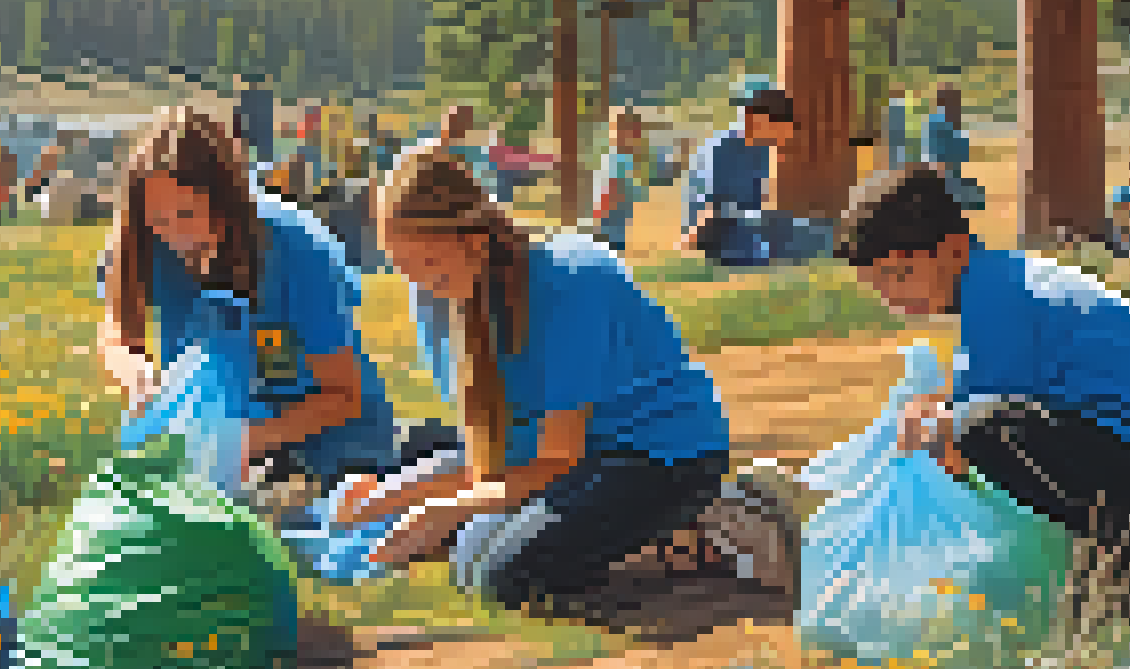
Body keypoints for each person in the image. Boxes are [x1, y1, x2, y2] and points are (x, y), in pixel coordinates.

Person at [332, 111, 733, 623]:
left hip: (659, 456)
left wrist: (444, 506)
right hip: (569, 460)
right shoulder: (437, 300)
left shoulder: (569, 284)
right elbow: (497, 452)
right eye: (404, 269)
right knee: (465, 559)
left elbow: (556, 459)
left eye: (428, 266)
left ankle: (701, 530)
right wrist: (393, 492)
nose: (420, 286)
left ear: (475, 241)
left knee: (502, 577)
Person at [834, 164, 1130, 629]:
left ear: (954, 248)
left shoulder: (1001, 297)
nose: (891, 297)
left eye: (900, 274)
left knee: (980, 431)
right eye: (879, 283)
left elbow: (979, 418)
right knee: (971, 425)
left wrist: (935, 433)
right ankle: (1129, 570)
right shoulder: (997, 283)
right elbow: (969, 391)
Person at [99, 105, 400, 527]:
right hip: (220, 440)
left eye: (187, 215)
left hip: (328, 446)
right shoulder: (146, 243)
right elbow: (117, 330)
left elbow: (344, 396)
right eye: (159, 220)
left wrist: (245, 439)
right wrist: (137, 372)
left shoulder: (297, 251)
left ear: (227, 202)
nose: (175, 235)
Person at [679, 88, 796, 268]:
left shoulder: (761, 151)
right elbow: (708, 208)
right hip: (721, 230)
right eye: (779, 130)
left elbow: (761, 203)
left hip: (745, 225)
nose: (781, 138)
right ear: (756, 119)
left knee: (810, 231)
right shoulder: (720, 148)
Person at [593, 108, 650, 254]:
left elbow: (638, 189)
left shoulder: (635, 160)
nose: (634, 136)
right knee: (610, 247)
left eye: (636, 132)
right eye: (628, 132)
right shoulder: (616, 159)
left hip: (626, 218)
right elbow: (608, 188)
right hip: (612, 216)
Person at [920, 85, 984, 212]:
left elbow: (962, 155)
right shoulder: (937, 122)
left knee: (976, 197)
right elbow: (931, 157)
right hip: (941, 177)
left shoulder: (946, 122)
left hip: (949, 176)